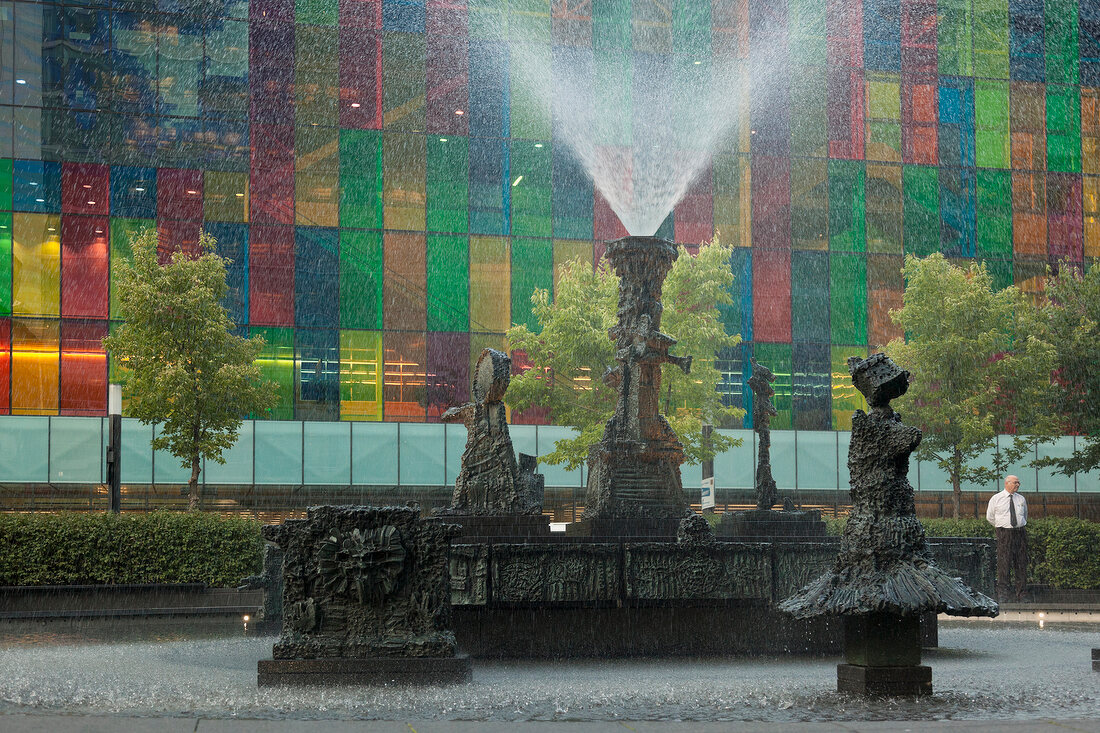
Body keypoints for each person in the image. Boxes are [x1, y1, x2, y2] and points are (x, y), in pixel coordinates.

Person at [986, 475, 1029, 602]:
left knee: (1021, 563)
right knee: (1003, 563)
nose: (1018, 485)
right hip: (1004, 533)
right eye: (1015, 482)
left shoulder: (1021, 499)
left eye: (1018, 482)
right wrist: (1002, 528)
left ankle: (1022, 593)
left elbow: (1025, 515)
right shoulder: (996, 498)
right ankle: (1003, 594)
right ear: (1007, 483)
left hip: (1020, 533)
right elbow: (990, 517)